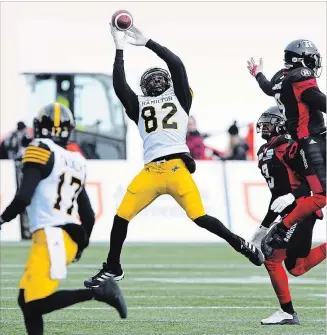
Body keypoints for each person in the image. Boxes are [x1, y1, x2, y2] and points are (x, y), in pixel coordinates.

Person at [84, 24, 264, 288]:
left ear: (168, 82)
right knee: (120, 217)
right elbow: (119, 86)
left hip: (176, 168)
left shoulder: (180, 98)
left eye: (160, 77)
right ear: (144, 87)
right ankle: (113, 267)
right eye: (151, 79)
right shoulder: (139, 105)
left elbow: (176, 64)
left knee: (200, 217)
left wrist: (148, 42)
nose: (156, 81)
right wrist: (119, 48)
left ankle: (241, 244)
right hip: (151, 171)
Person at [0, 103, 127, 335]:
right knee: (25, 299)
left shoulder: (39, 148)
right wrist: (80, 246)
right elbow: (87, 215)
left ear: (39, 127)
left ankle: (98, 292)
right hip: (65, 237)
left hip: (52, 235)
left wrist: (2, 219)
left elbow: (24, 197)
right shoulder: (75, 159)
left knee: (32, 303)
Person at [247, 39, 326, 252]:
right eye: (311, 59)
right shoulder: (301, 77)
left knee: (319, 194)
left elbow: (267, 88)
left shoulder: (281, 78)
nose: (313, 64)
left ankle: (283, 225)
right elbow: (316, 98)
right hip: (314, 139)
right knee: (321, 196)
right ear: (301, 59)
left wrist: (258, 74)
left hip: (304, 142)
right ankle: (283, 228)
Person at [251, 106, 326, 325]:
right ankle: (287, 313)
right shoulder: (266, 151)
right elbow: (276, 195)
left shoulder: (289, 148)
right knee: (296, 267)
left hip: (301, 209)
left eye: (269, 122)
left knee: (271, 256)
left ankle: (287, 313)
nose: (264, 127)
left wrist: (292, 198)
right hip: (288, 210)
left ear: (281, 124)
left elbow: (309, 185)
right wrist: (263, 226)